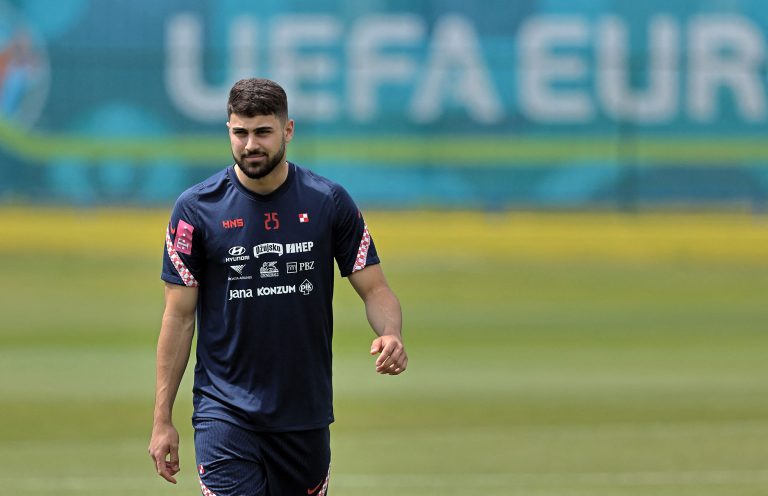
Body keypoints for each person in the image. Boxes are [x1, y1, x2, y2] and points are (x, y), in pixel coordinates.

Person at [148, 78, 407, 495]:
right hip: (223, 412)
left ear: (287, 130)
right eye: (240, 132)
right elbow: (178, 317)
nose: (251, 144)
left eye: (263, 132)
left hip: (304, 415)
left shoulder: (328, 202)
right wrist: (162, 419)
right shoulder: (196, 210)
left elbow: (375, 289)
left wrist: (391, 333)